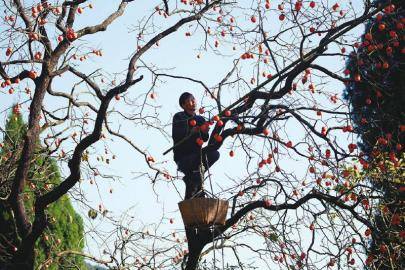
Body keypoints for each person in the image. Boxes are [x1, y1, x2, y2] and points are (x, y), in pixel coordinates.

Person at [172, 92, 220, 199]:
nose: (194, 102)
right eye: (190, 100)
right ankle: (195, 180)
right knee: (195, 178)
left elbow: (205, 139)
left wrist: (204, 131)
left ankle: (195, 179)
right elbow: (176, 135)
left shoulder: (200, 119)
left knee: (214, 154)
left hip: (197, 156)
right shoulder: (179, 117)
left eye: (194, 99)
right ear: (183, 105)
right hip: (183, 158)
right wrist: (190, 131)